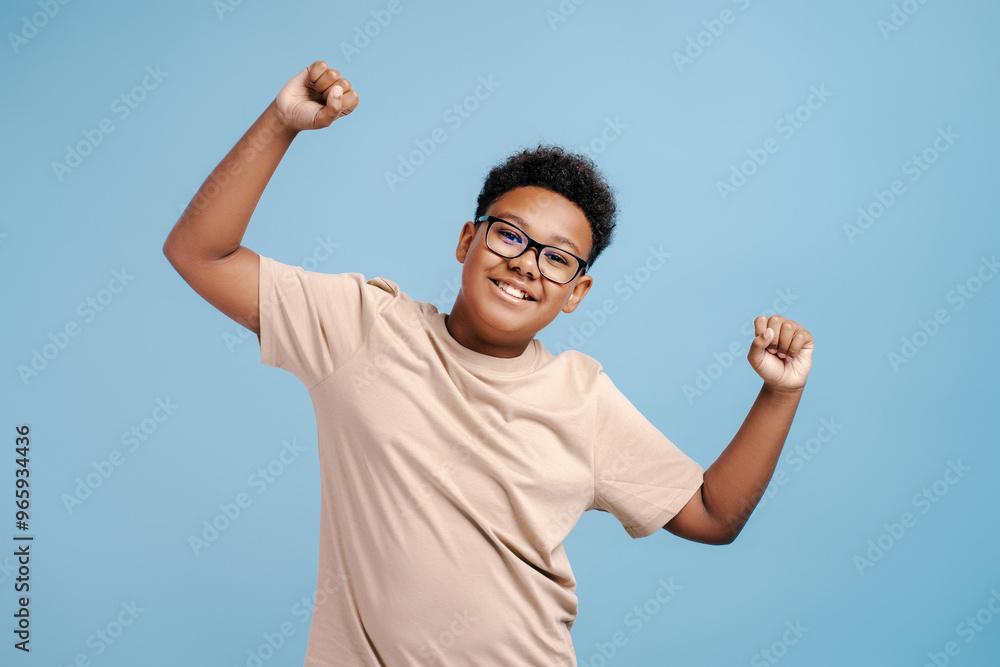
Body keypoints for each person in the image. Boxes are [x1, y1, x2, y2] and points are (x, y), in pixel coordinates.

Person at [163, 60, 815, 666]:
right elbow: (202, 253)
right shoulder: (362, 326)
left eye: (558, 258)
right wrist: (281, 122)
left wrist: (779, 395)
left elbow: (711, 511)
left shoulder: (582, 397)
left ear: (575, 293)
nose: (528, 263)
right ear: (467, 240)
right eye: (509, 235)